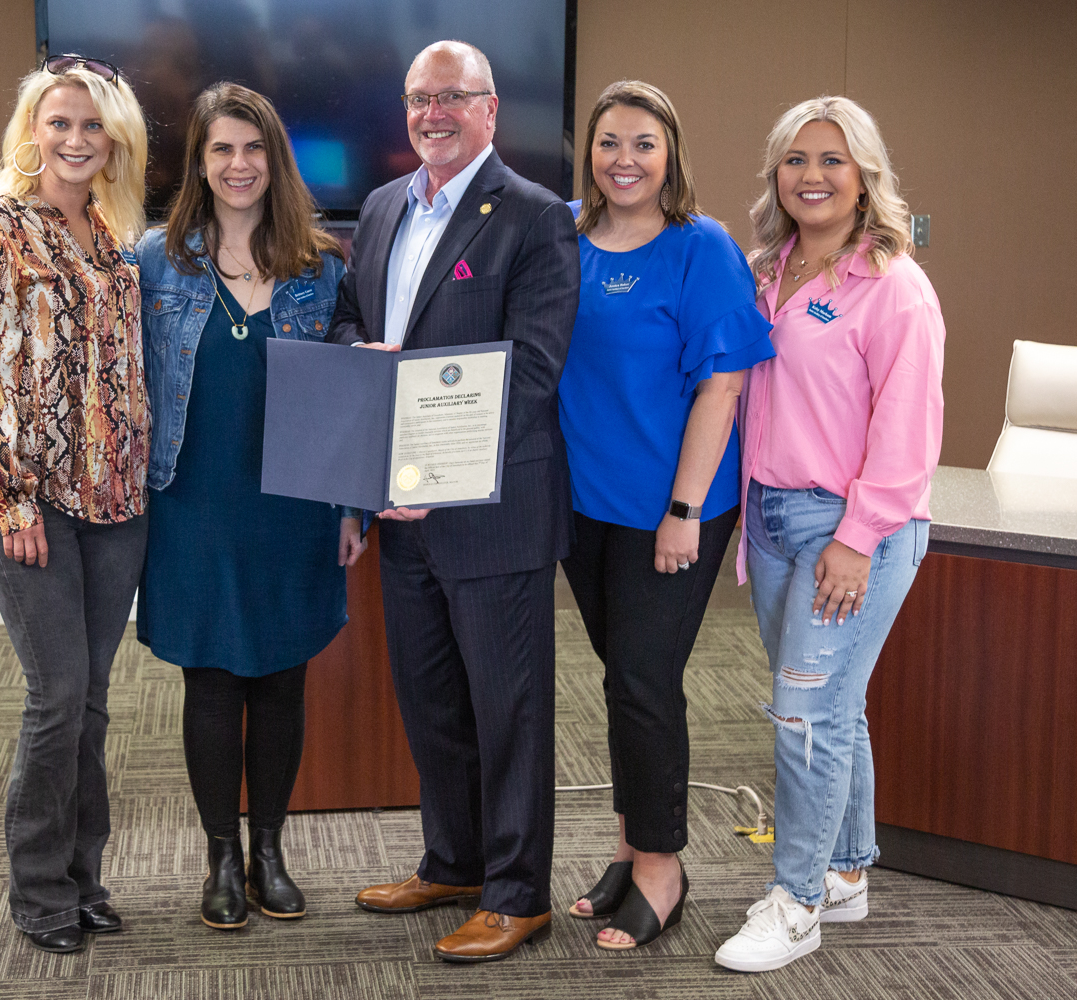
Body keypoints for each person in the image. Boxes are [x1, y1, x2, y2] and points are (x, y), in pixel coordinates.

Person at [329, 40, 580, 963]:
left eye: (452, 98)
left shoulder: (536, 217)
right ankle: (455, 860)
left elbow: (532, 372)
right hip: (401, 516)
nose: (432, 114)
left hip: (490, 513)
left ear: (490, 109)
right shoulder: (387, 206)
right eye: (418, 100)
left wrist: (432, 466)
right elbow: (357, 320)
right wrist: (361, 360)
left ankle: (519, 893)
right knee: (433, 701)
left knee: (507, 708)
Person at [713, 95, 944, 973]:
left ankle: (797, 900)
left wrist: (860, 535)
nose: (812, 176)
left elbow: (909, 427)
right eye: (796, 160)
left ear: (865, 178)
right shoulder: (765, 268)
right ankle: (846, 872)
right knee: (829, 709)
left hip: (852, 529)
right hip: (771, 519)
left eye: (832, 161)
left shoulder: (893, 286)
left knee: (803, 717)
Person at [133, 82, 366, 931]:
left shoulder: (322, 265)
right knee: (213, 677)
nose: (239, 165)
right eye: (222, 149)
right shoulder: (152, 260)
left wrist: (351, 508)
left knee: (281, 677)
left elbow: (348, 402)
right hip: (193, 502)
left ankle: (269, 849)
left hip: (294, 506)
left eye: (254, 148)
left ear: (277, 159)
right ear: (199, 160)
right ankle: (220, 856)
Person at [557, 81, 775, 950]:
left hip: (673, 508)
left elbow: (723, 385)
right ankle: (629, 843)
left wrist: (684, 510)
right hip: (586, 503)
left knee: (644, 681)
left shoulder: (702, 248)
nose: (624, 161)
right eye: (610, 143)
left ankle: (662, 868)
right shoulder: (567, 235)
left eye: (643, 144)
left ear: (670, 154)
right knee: (623, 679)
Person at [0, 55, 150, 954]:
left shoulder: (109, 233)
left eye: (93, 126)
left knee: (95, 699)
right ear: (31, 130)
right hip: (29, 505)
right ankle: (36, 893)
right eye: (58, 123)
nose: (74, 139)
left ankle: (83, 877)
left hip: (115, 503)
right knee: (55, 694)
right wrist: (10, 496)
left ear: (116, 140)